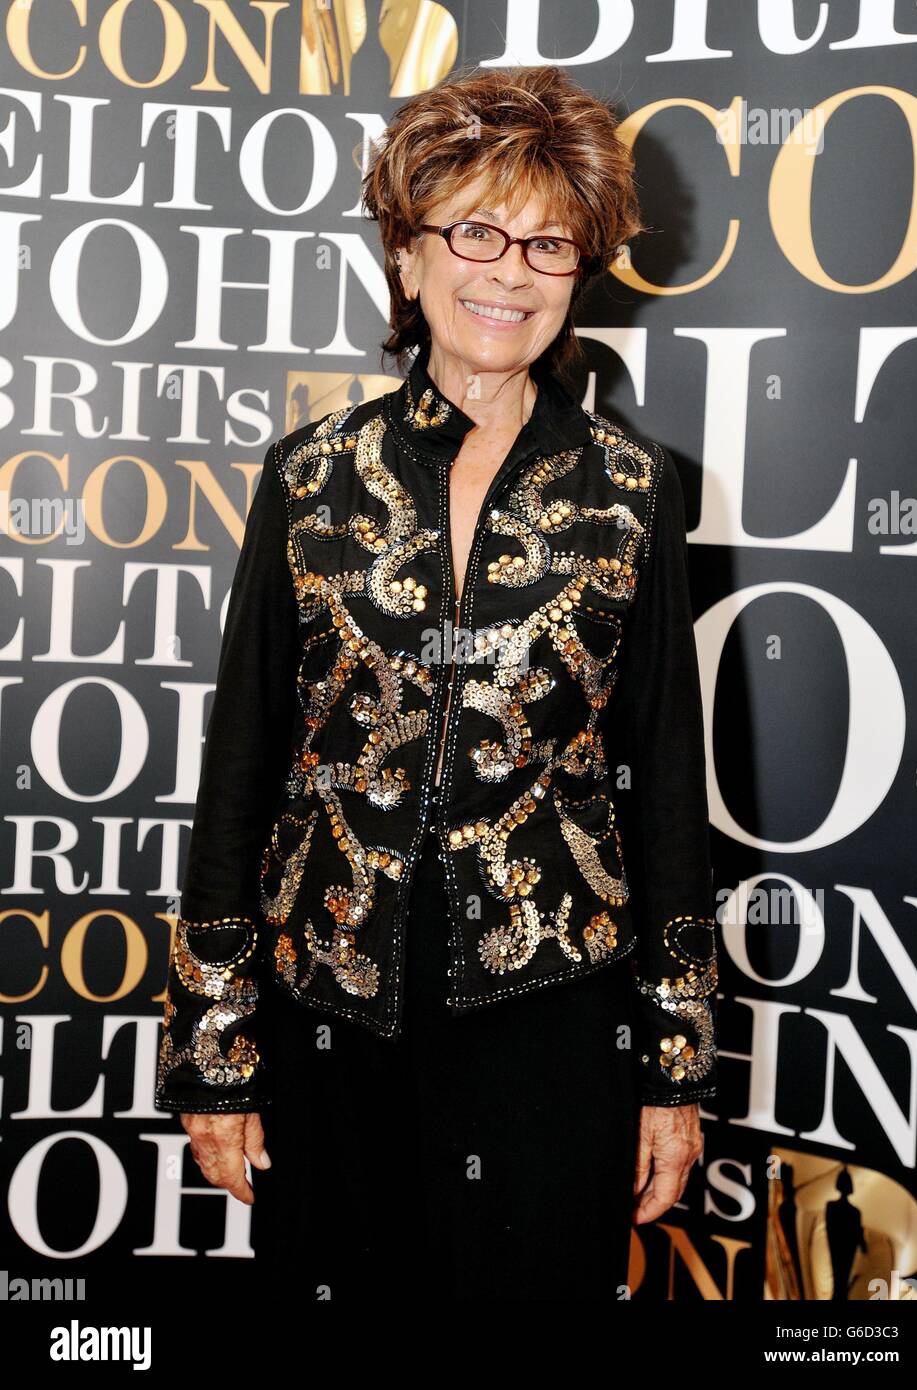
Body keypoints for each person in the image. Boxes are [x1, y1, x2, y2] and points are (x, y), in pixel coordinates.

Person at [154, 64, 719, 1302]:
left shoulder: (634, 489)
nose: (507, 272)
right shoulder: (309, 476)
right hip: (333, 1012)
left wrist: (673, 1070)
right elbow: (241, 768)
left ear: (581, 272)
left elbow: (665, 783)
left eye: (547, 243)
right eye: (473, 231)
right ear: (406, 256)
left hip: (557, 1008)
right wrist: (212, 1052)